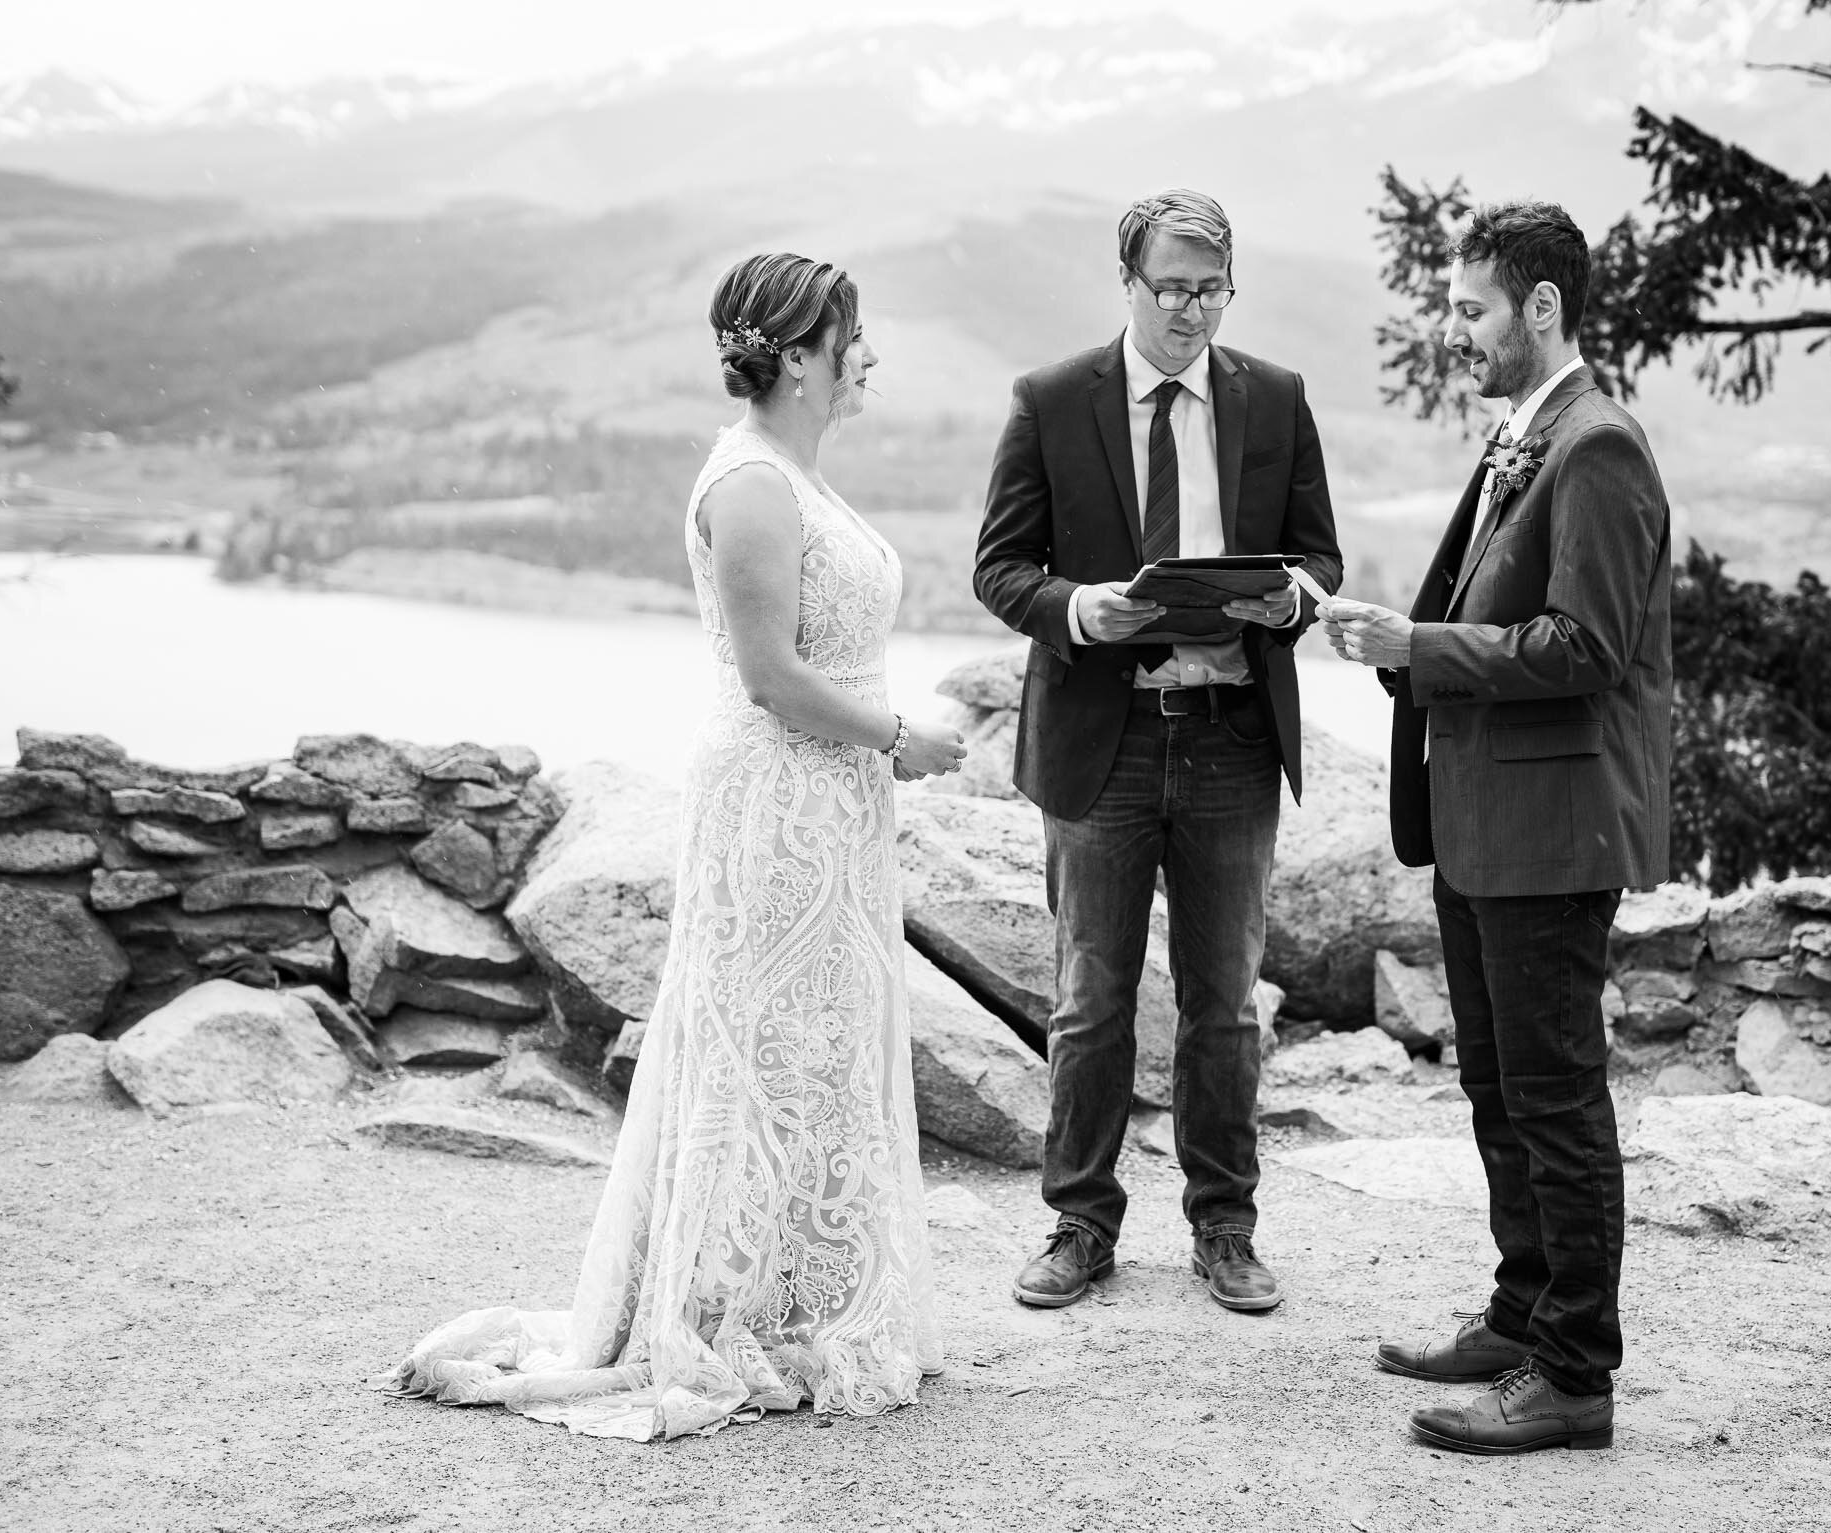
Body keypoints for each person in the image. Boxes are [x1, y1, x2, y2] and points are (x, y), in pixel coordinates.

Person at [373, 252, 966, 1441]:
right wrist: (903, 736)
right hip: (777, 804)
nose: (867, 353)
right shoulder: (750, 484)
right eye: (850, 334)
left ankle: (803, 1293)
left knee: (820, 1047)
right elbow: (772, 678)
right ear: (797, 354)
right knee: (756, 1051)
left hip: (831, 809)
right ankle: (720, 1306)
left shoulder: (796, 472)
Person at [1319, 200, 1672, 1455]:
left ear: (1540, 308)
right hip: (1480, 825)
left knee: (1556, 1100)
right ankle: (1523, 1315)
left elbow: (1584, 647)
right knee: (1497, 1090)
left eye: (1470, 308)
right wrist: (1396, 646)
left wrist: (1420, 647)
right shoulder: (1522, 436)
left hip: (1551, 826)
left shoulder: (1596, 447)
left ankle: (1574, 1375)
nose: (1454, 331)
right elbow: (1493, 616)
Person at [974, 189, 1344, 1314]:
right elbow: (999, 568)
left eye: (1209, 289)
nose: (1190, 311)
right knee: (1089, 997)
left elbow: (1319, 559)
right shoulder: (1049, 401)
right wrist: (1084, 611)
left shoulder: (1274, 398)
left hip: (1231, 739)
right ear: (1125, 282)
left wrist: (1285, 598)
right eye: (1170, 288)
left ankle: (1224, 1227)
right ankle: (1079, 1225)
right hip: (1104, 739)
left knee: (1225, 1001)